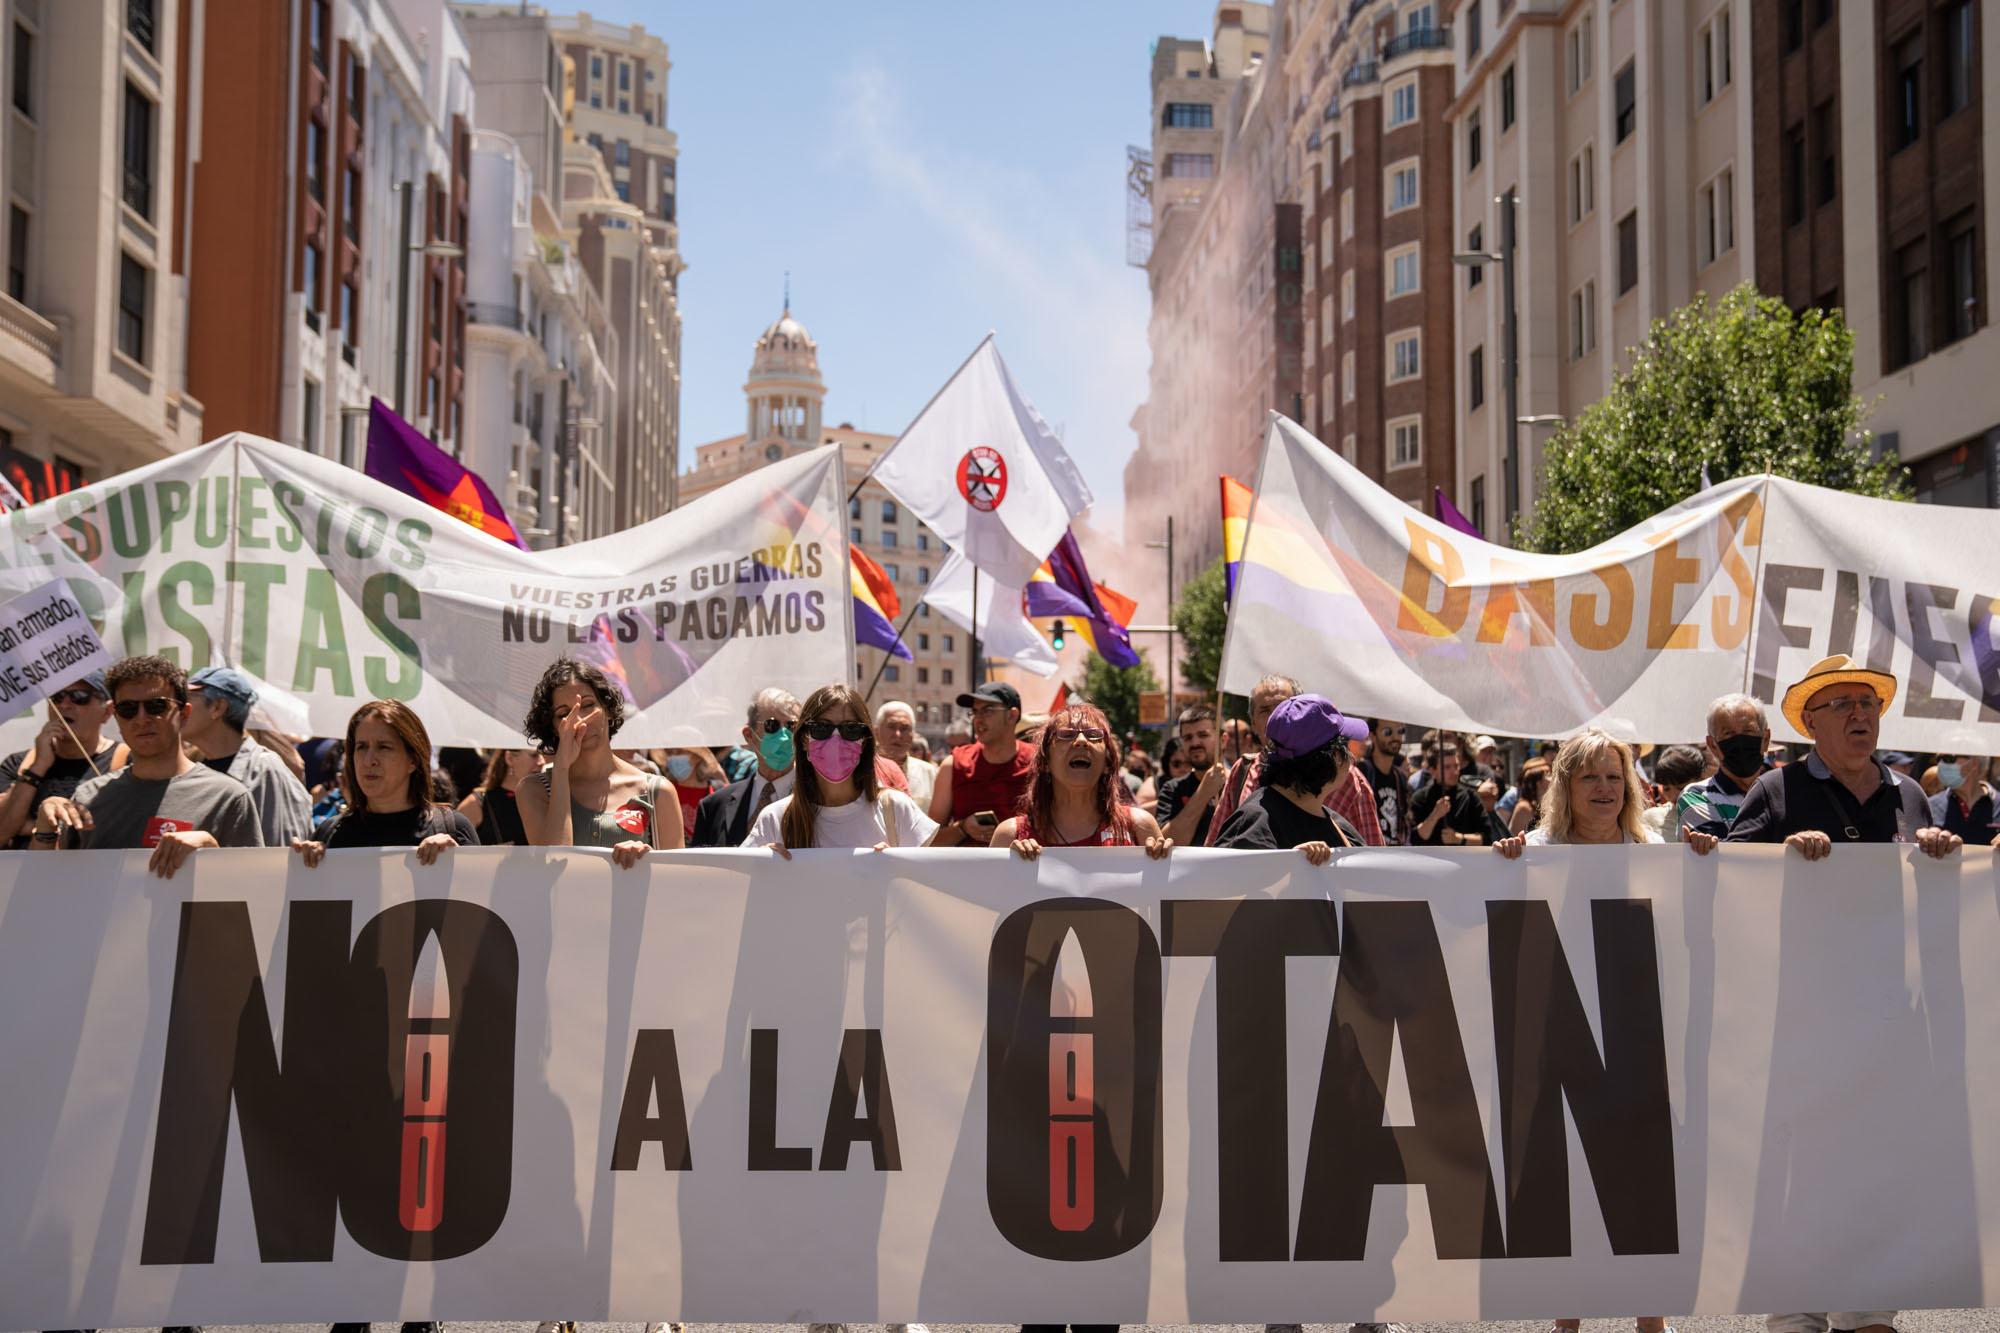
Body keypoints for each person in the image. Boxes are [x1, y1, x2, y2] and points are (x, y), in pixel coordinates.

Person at [31, 655, 263, 876]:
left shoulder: (228, 797)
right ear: (117, 716)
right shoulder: (88, 798)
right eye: (128, 709)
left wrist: (211, 850)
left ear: (184, 714)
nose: (142, 719)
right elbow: (49, 887)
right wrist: (45, 829)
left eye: (156, 706)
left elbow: (255, 890)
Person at [1726, 654, 1959, 865]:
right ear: (1810, 721)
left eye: (1868, 702)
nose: (1860, 714)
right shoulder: (1774, 790)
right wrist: (1783, 856)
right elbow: (1734, 871)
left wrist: (1939, 850)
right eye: (1843, 704)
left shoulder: (1911, 794)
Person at [518, 657, 685, 868]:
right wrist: (561, 769)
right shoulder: (534, 790)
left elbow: (676, 881)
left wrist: (648, 860)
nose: (579, 720)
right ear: (551, 727)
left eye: (588, 705)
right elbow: (554, 862)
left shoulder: (657, 791)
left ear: (607, 709)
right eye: (564, 714)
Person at [748, 684, 945, 852]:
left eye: (850, 729)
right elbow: (734, 888)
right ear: (804, 739)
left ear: (865, 741)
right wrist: (762, 869)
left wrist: (896, 870)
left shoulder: (896, 809)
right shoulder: (774, 819)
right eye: (821, 728)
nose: (836, 739)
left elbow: (929, 887)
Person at [292, 701, 478, 866]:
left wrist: (459, 862)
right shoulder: (329, 836)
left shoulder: (453, 830)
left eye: (384, 747)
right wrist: (305, 868)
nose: (369, 760)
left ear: (413, 761)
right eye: (361, 747)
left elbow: (483, 900)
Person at [993, 700, 1171, 858]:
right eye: (1066, 735)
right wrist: (1010, 868)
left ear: (1108, 763)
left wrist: (1162, 861)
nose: (1081, 740)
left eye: (1094, 735)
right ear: (1045, 762)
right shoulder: (1010, 836)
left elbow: (1165, 893)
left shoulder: (1139, 828)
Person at [1212, 694, 1371, 862]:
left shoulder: (1341, 827)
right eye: (1346, 745)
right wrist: (1288, 866)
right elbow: (1228, 883)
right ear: (1336, 757)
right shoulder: (1254, 825)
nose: (1351, 757)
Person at [180, 665, 314, 846]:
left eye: (187, 699)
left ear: (218, 707)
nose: (179, 708)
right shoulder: (194, 769)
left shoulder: (266, 770)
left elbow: (281, 856)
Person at [0, 670, 124, 848]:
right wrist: (37, 768)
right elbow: (2, 832)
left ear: (107, 711)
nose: (64, 705)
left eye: (79, 697)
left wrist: (29, 826)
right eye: (57, 697)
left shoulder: (125, 760)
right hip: (26, 874)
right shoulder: (19, 763)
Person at [928, 682, 1034, 848]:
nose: (978, 719)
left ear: (1012, 715)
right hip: (967, 872)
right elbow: (929, 840)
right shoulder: (953, 765)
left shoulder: (1040, 763)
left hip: (1025, 870)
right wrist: (963, 828)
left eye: (988, 710)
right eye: (975, 712)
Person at [691, 688, 801, 847]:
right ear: (749, 735)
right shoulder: (713, 807)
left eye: (791, 726)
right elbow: (699, 868)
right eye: (772, 725)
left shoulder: (819, 801)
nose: (784, 736)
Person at [1677, 692, 1773, 838]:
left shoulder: (1788, 789)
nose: (1740, 741)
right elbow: (1721, 855)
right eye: (1728, 734)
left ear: (1765, 739)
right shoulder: (1697, 795)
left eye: (1748, 731)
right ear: (1713, 745)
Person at [1156, 704, 1224, 846]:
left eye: (1203, 735)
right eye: (1187, 737)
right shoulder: (1172, 789)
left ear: (1223, 740)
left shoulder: (1242, 783)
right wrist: (1203, 793)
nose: (1195, 743)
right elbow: (1168, 843)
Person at [1410, 735, 1490, 847]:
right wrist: (1435, 815)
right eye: (1447, 767)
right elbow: (1414, 839)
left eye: (1456, 766)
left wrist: (1458, 838)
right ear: (1432, 770)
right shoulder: (1420, 798)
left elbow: (1486, 838)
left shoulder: (1470, 797)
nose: (1454, 772)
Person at [456, 749, 543, 845]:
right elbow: (453, 853)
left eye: (542, 755)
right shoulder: (476, 804)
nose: (542, 762)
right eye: (534, 755)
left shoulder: (542, 801)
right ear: (509, 758)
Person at [1929, 743, 2000, 846]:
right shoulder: (1929, 805)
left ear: (1974, 762)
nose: (1941, 764)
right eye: (1938, 759)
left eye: (1948, 758)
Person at [874, 699, 938, 806]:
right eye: (891, 727)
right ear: (876, 732)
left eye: (904, 728)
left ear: (913, 735)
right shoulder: (863, 770)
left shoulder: (930, 773)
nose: (898, 734)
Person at [1360, 717, 1413, 845]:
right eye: (1387, 732)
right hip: (1369, 854)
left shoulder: (1399, 776)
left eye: (1400, 731)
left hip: (1396, 857)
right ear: (1372, 736)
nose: (1395, 737)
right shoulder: (1362, 772)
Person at [1640, 745, 1706, 842]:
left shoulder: (1719, 812)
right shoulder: (1650, 818)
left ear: (1701, 779)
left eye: (1681, 788)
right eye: (1666, 789)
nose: (1674, 795)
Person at [659, 746, 725, 831]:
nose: (672, 758)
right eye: (669, 753)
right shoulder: (663, 793)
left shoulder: (719, 791)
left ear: (697, 757)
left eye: (679, 752)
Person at [1506, 756, 1549, 838]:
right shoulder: (1524, 808)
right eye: (1548, 774)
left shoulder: (1545, 806)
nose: (1553, 778)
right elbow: (1515, 838)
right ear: (1539, 783)